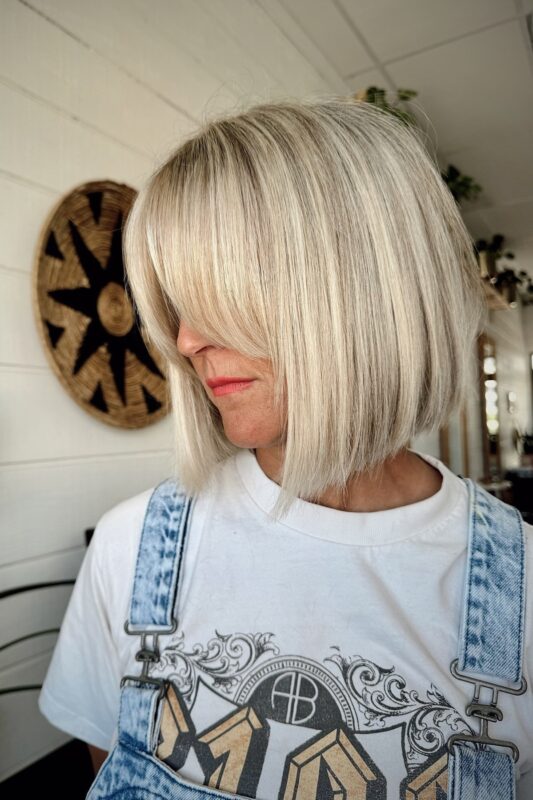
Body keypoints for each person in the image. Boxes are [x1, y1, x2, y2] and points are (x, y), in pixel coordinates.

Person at [38, 96, 533, 799]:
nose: (184, 341)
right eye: (179, 300)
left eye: (225, 291)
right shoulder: (133, 548)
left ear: (366, 289)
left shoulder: (522, 597)